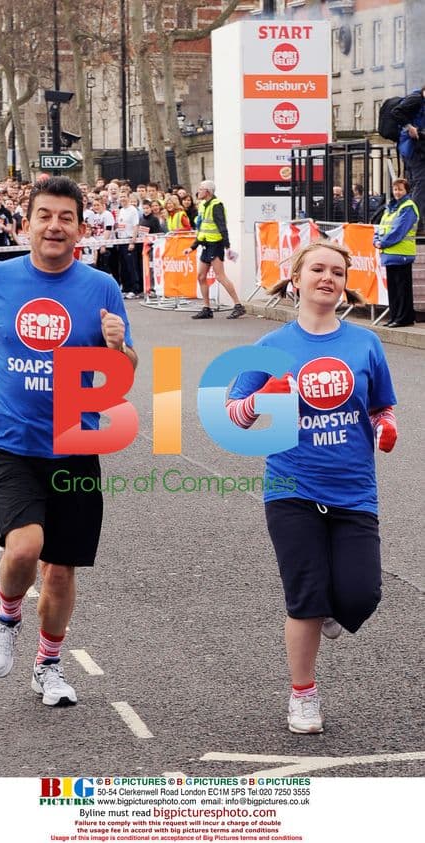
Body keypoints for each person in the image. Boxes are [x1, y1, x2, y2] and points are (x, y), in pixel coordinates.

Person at [0, 176, 137, 707]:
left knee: (61, 569)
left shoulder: (101, 287)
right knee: (26, 546)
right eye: (44, 216)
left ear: (80, 228)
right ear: (26, 224)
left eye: (65, 218)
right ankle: (6, 620)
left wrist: (118, 347)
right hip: (12, 441)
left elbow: (125, 370)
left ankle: (48, 666)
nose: (54, 226)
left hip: (76, 442)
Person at [226, 240, 397, 734]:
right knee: (305, 597)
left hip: (354, 488)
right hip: (291, 487)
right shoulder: (269, 347)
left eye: (337, 272)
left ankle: (329, 609)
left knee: (361, 595)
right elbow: (234, 415)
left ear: (345, 284)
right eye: (318, 269)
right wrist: (261, 397)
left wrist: (385, 426)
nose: (328, 278)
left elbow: (381, 406)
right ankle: (303, 695)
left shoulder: (365, 343)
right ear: (296, 279)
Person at [184, 179, 245, 319]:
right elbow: (202, 229)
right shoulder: (203, 205)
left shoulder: (216, 205)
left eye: (201, 189)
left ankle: (238, 305)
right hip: (206, 244)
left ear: (208, 192)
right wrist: (192, 247)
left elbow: (222, 227)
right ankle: (206, 308)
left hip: (216, 244)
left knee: (220, 276)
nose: (198, 191)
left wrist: (227, 246)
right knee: (201, 276)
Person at [374, 177, 418, 327]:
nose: (397, 192)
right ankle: (395, 317)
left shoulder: (408, 207)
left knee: (402, 288)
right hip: (390, 253)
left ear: (406, 191)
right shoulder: (390, 208)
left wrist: (382, 242)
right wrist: (376, 240)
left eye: (400, 189)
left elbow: (399, 230)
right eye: (395, 189)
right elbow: (381, 227)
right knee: (393, 288)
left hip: (402, 253)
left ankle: (403, 318)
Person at [391, 86, 425, 235]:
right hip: (412, 148)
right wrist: (409, 127)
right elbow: (396, 112)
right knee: (421, 182)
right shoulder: (416, 99)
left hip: (418, 148)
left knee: (416, 183)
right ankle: (414, 222)